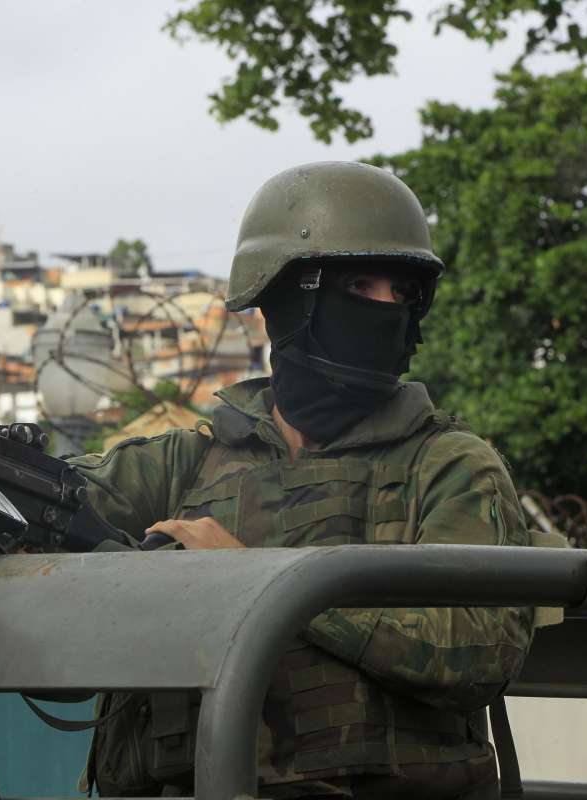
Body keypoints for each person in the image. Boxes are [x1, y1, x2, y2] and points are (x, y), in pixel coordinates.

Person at [68, 162, 535, 798]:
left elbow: (477, 650)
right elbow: (61, 499)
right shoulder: (185, 463)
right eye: (360, 285)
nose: (385, 308)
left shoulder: (450, 466)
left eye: (402, 292)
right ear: (285, 296)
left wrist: (256, 578)